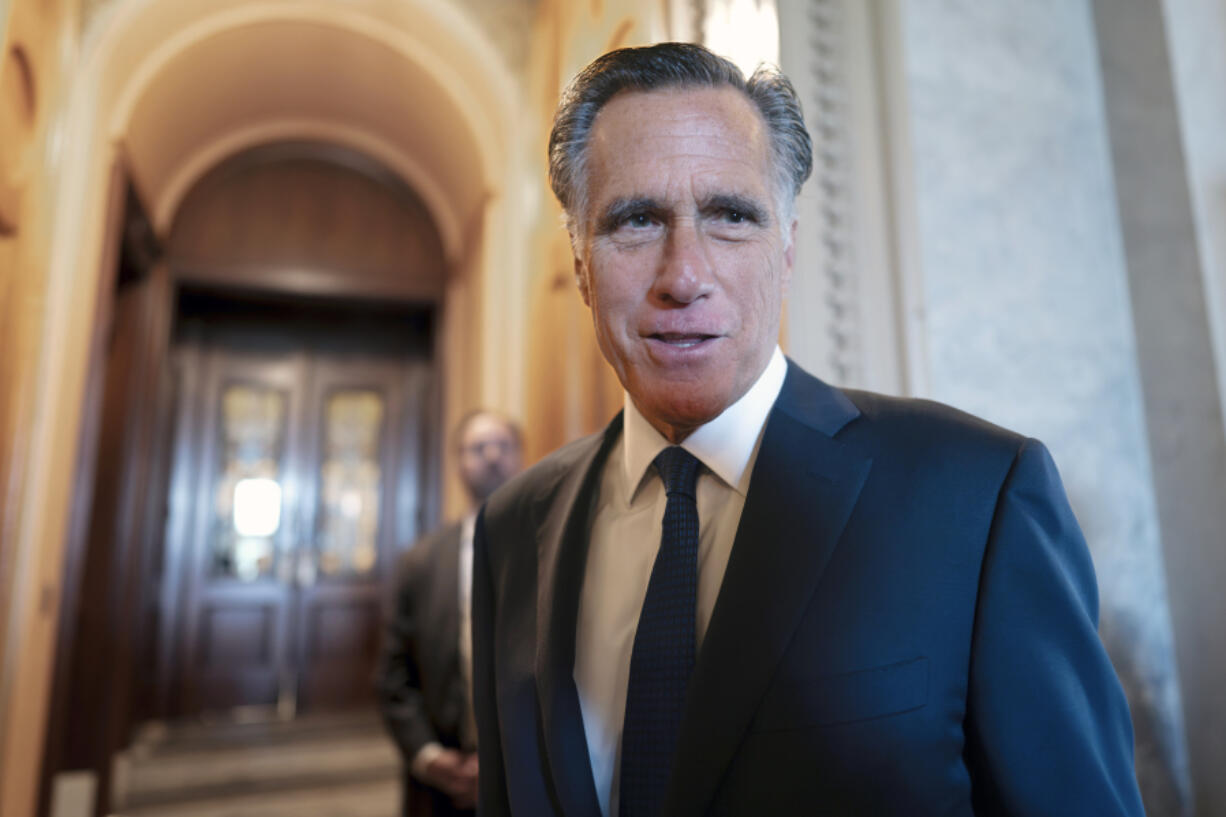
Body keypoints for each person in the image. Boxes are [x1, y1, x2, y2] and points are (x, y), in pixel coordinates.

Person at [470, 42, 1146, 817]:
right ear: (581, 262)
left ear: (786, 249)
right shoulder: (514, 528)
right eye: (635, 219)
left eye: (730, 216)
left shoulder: (979, 496)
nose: (684, 275)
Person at [377, 410, 523, 817]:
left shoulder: (551, 550)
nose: (492, 455)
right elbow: (393, 675)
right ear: (458, 461)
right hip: (439, 780)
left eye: (504, 445)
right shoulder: (419, 562)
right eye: (478, 447)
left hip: (528, 776)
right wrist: (427, 756)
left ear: (522, 458)